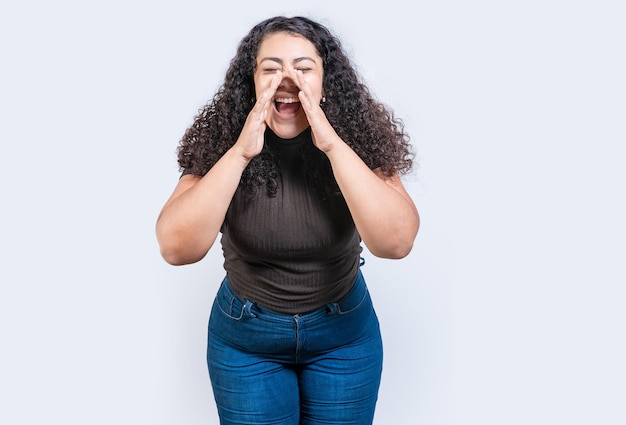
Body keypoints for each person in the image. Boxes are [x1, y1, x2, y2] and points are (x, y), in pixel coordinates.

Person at [156, 15, 420, 425]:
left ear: (325, 82)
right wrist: (241, 153)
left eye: (303, 67)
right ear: (253, 82)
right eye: (272, 67)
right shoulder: (222, 144)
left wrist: (331, 144)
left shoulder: (358, 141)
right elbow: (176, 248)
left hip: (343, 338)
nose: (288, 78)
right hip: (246, 342)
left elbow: (396, 242)